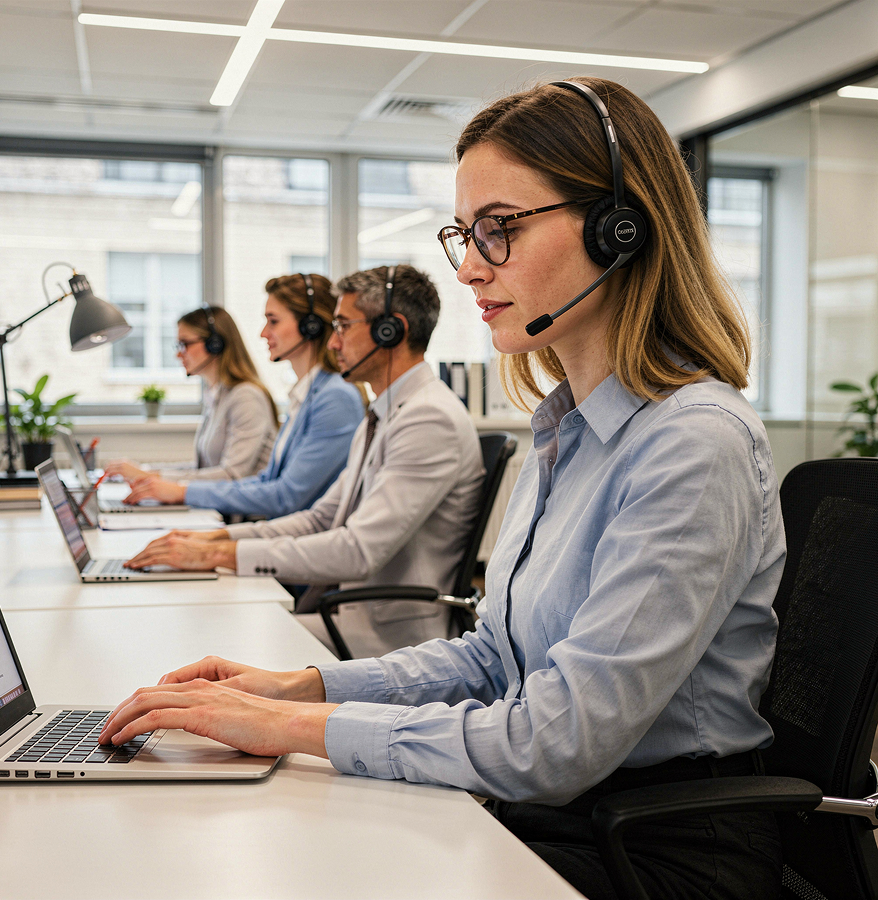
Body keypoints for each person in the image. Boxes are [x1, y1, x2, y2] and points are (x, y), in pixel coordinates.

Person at [101, 77, 786, 899]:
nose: (467, 268)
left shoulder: (693, 442)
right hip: (558, 812)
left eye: (498, 231)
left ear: (620, 228)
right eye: (463, 234)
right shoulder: (565, 428)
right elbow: (497, 656)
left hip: (657, 850)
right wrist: (299, 686)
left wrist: (295, 726)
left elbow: (557, 741)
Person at [124, 265, 485, 658]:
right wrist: (216, 538)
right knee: (206, 630)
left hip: (392, 638)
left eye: (344, 326)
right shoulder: (385, 413)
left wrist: (216, 555)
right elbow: (319, 518)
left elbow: (358, 551)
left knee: (215, 639)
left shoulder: (427, 419)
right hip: (350, 614)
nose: (333, 342)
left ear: (391, 331)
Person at [112, 275, 364, 520]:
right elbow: (268, 481)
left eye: (273, 321)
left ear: (311, 327)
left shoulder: (334, 398)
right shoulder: (305, 395)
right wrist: (164, 482)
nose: (263, 333)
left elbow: (285, 496)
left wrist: (180, 490)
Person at [107, 306, 278, 485]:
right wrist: (146, 472)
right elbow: (202, 471)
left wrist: (149, 477)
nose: (178, 354)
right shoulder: (217, 395)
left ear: (215, 344)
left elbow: (231, 475)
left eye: (185, 344)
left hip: (241, 512)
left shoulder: (246, 397)